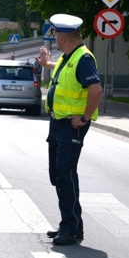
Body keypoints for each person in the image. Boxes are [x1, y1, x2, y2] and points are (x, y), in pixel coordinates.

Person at [35, 14, 102, 245]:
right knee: (60, 174)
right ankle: (74, 225)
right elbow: (64, 69)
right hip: (59, 124)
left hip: (71, 126)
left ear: (62, 37)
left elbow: (96, 90)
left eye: (55, 35)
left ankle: (70, 227)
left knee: (64, 174)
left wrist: (84, 117)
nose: (54, 39)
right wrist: (47, 64)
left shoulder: (83, 58)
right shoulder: (68, 57)